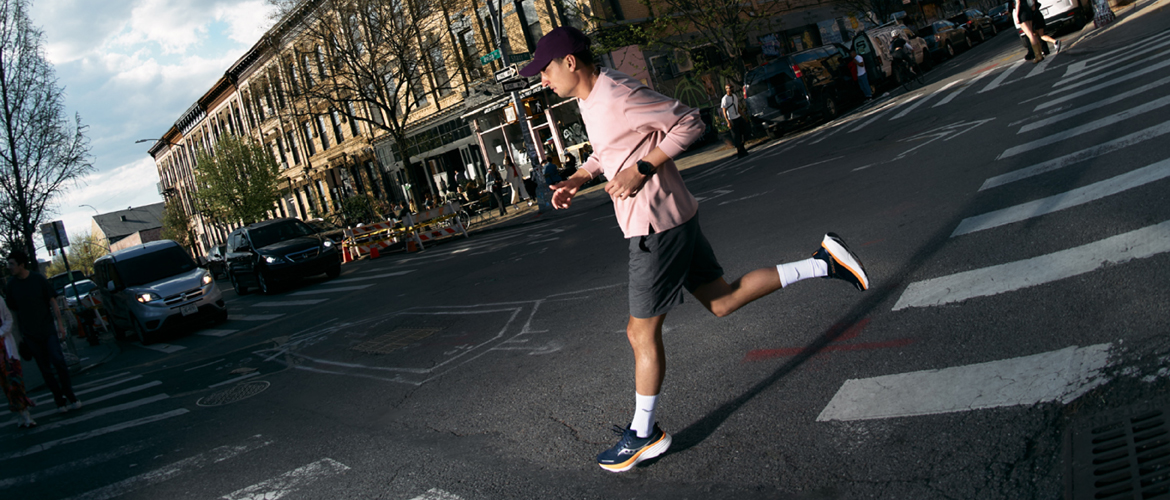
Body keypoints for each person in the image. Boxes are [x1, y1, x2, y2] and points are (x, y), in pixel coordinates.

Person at [522, 26, 871, 473]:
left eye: (545, 69)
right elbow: (611, 148)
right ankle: (824, 262)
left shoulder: (617, 93)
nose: (543, 79)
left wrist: (642, 170)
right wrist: (579, 177)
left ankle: (644, 434)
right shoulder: (591, 99)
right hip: (671, 219)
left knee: (639, 333)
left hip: (655, 228)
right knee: (722, 300)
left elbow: (689, 122)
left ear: (570, 62)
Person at [4, 250, 81, 414]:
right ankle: (59, 400)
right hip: (30, 334)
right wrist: (19, 338)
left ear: (21, 265)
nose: (9, 267)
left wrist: (60, 325)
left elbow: (52, 301)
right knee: (45, 369)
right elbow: (14, 313)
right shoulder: (11, 286)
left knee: (58, 360)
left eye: (12, 264)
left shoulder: (38, 279)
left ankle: (70, 395)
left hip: (47, 329)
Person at [0, 297, 36, 428]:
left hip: (6, 347)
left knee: (16, 379)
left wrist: (1, 332)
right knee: (6, 384)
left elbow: (8, 319)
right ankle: (19, 412)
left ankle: (24, 412)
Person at [720, 83, 749, 158]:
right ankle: (740, 151)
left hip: (738, 117)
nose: (731, 89)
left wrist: (744, 116)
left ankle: (742, 146)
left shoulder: (734, 96)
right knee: (736, 136)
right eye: (730, 88)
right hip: (732, 119)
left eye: (732, 87)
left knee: (745, 132)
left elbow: (737, 107)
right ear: (726, 89)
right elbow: (724, 111)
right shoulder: (725, 99)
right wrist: (728, 122)